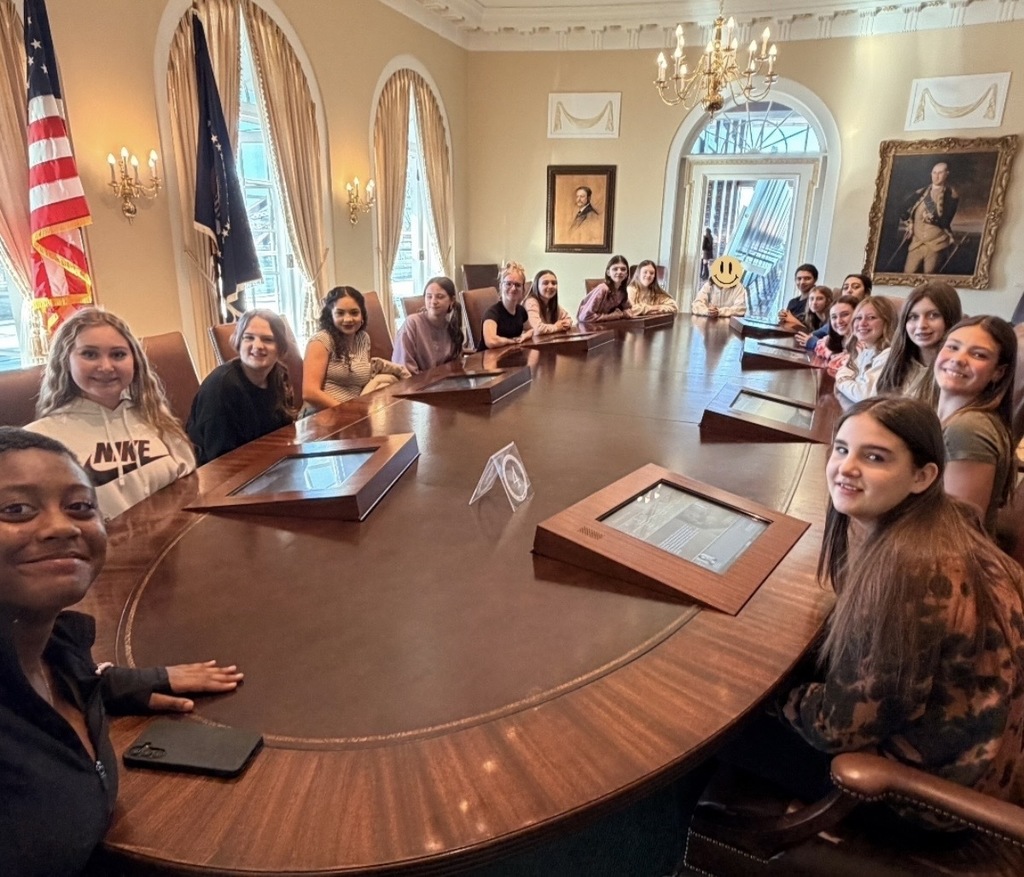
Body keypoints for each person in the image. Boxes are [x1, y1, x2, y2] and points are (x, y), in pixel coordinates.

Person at [0, 427, 243, 875]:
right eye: (16, 510)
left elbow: (71, 681)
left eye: (79, 506)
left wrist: (135, 682)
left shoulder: (55, 651)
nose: (61, 526)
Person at [779, 397, 1024, 814]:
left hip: (927, 797)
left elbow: (837, 728)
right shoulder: (949, 522)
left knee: (711, 712)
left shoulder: (912, 571)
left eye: (874, 457)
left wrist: (775, 692)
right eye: (841, 449)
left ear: (923, 476)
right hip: (979, 764)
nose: (847, 468)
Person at [26, 309, 195, 521]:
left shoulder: (155, 418)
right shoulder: (40, 442)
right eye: (89, 354)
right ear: (65, 360)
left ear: (134, 361)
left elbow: (188, 485)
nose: (106, 366)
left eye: (118, 354)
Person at [934, 316, 1016, 536]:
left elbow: (956, 531)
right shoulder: (947, 418)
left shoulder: (969, 429)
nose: (959, 359)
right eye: (952, 347)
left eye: (978, 354)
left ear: (998, 372)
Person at [186, 309, 296, 465]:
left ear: (280, 347)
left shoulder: (279, 375)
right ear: (238, 342)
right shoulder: (221, 387)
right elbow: (220, 461)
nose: (257, 346)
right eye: (248, 338)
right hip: (218, 476)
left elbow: (285, 434)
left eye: (267, 339)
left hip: (266, 464)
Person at [302, 286, 411, 412]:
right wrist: (348, 412)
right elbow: (310, 393)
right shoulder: (321, 341)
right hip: (322, 415)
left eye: (354, 313)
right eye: (340, 313)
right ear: (330, 316)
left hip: (356, 412)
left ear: (362, 315)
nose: (348, 319)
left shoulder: (363, 338)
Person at [877, 281, 963, 401]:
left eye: (933, 315)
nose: (921, 325)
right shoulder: (893, 359)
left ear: (950, 318)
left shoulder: (955, 371)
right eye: (913, 317)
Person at [391, 276, 465, 374]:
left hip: (445, 384)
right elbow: (404, 370)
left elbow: (455, 368)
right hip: (415, 385)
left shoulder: (452, 328)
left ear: (452, 300)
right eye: (429, 296)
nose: (433, 302)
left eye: (440, 297)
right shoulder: (412, 324)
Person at [834, 296, 898, 403]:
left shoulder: (888, 354)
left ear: (887, 322)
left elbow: (865, 396)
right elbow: (848, 370)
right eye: (858, 318)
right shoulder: (865, 350)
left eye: (871, 317)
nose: (862, 323)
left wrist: (841, 380)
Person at [901, 162, 959, 275]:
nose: (936, 176)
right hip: (916, 243)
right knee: (907, 274)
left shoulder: (951, 195)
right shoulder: (921, 192)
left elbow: (946, 221)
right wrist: (910, 223)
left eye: (940, 173)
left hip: (936, 244)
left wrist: (932, 219)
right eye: (934, 173)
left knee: (930, 277)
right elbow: (903, 209)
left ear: (947, 174)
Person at [577, 255, 633, 322]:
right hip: (591, 328)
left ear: (627, 274)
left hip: (608, 326)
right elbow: (585, 317)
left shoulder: (622, 291)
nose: (619, 272)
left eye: (623, 269)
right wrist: (611, 316)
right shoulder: (603, 289)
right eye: (615, 269)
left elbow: (628, 308)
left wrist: (627, 312)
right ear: (608, 273)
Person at [812, 295, 859, 371]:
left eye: (845, 315)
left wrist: (833, 355)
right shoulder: (841, 337)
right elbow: (820, 345)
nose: (839, 321)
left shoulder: (862, 343)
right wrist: (832, 354)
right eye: (834, 317)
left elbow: (846, 364)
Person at [524, 269, 573, 336]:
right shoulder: (531, 302)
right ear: (536, 286)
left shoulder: (550, 302)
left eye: (554, 283)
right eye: (545, 283)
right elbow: (538, 329)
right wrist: (556, 327)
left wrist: (564, 324)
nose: (550, 286)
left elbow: (568, 319)